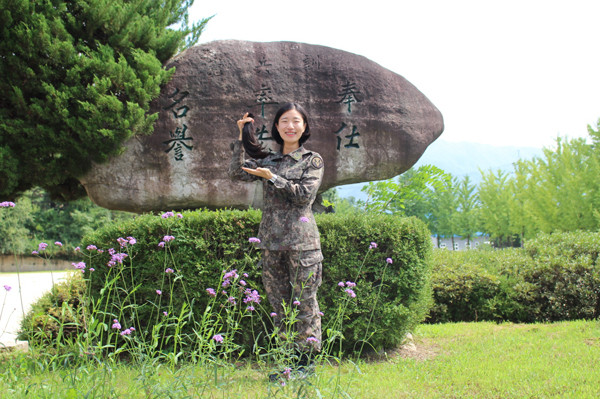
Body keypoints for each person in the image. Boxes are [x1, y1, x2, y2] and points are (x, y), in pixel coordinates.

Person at [228, 102, 324, 374]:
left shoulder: (312, 160)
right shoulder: (269, 159)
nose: (290, 126)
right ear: (277, 127)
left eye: (295, 121)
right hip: (271, 242)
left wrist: (273, 179)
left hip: (303, 244)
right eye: (284, 121)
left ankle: (306, 365)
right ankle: (288, 363)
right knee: (279, 305)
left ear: (304, 127)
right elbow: (236, 173)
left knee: (304, 303)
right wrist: (241, 136)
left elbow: (304, 195)